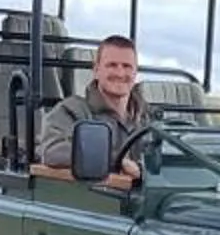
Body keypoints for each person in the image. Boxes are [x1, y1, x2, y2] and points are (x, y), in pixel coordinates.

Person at [33, 33, 149, 188]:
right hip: (92, 196)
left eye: (127, 66)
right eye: (112, 65)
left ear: (136, 73)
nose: (120, 73)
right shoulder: (72, 111)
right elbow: (52, 152)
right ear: (96, 70)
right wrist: (117, 161)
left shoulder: (147, 119)